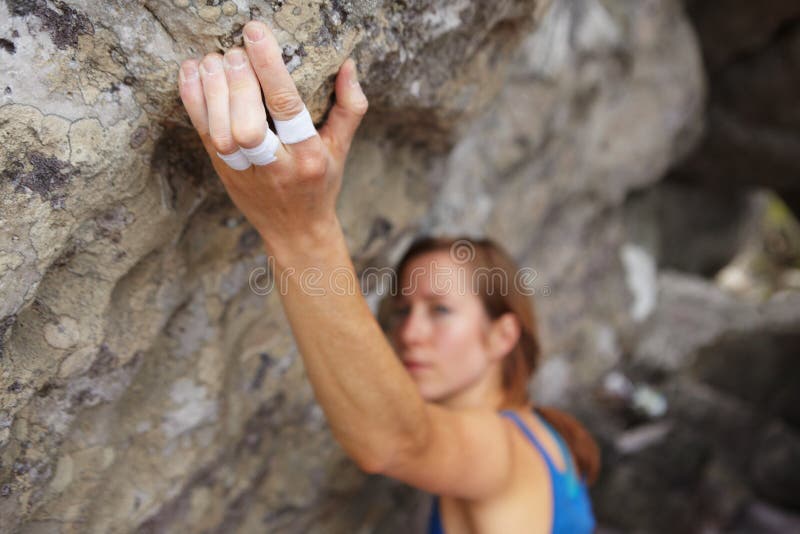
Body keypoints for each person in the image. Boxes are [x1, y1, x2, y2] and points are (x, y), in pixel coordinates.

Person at [177, 19, 599, 533]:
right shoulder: (539, 441)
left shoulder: (502, 448)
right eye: (402, 311)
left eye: (440, 310)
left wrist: (300, 232)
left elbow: (395, 443)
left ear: (502, 335)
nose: (409, 333)